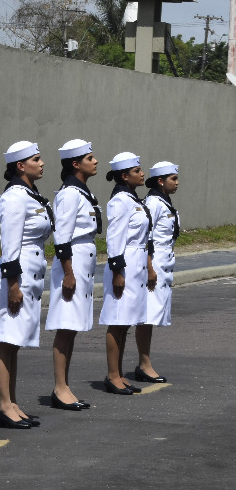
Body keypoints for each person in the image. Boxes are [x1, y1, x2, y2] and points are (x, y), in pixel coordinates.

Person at [0, 141, 54, 427]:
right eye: (36, 159)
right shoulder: (15, 197)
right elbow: (9, 246)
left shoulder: (30, 194)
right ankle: (4, 406)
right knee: (5, 340)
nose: (42, 164)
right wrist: (13, 284)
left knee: (14, 343)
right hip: (17, 275)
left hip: (29, 272)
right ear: (20, 166)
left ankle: (12, 401)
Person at [45, 139, 101, 410]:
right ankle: (60, 387)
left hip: (81, 262)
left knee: (73, 327)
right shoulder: (69, 194)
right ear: (76, 164)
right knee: (66, 326)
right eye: (90, 158)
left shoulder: (82, 192)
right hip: (73, 263)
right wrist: (68, 273)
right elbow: (62, 238)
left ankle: (65, 385)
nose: (96, 161)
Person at [99, 152, 157, 394]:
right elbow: (114, 238)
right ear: (125, 176)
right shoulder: (120, 201)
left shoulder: (133, 200)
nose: (142, 174)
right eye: (137, 171)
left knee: (125, 323)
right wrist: (117, 272)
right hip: (124, 265)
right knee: (117, 321)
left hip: (136, 265)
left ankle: (120, 374)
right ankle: (113, 375)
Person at [136, 161, 180, 383]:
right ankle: (144, 364)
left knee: (151, 316)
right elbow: (147, 237)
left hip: (164, 263)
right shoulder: (153, 203)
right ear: (160, 181)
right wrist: (150, 268)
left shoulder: (164, 201)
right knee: (146, 316)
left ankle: (145, 362)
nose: (177, 183)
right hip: (154, 264)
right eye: (173, 178)